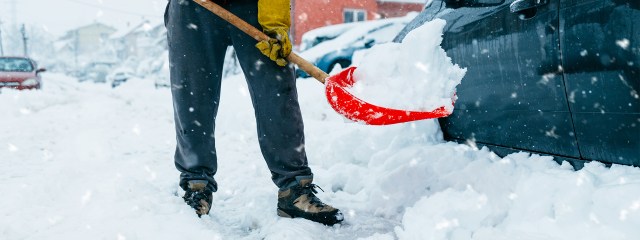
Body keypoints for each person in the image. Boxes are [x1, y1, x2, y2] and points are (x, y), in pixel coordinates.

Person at [164, 0, 344, 226]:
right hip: (193, 7)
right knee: (193, 95)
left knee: (277, 90)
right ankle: (196, 186)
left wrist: (276, 20)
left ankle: (294, 189)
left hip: (256, 6)